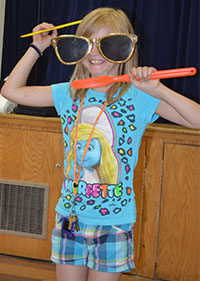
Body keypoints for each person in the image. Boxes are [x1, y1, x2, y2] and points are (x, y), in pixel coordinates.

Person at [1, 7, 200, 281]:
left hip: (113, 224)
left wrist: (159, 89)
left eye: (107, 44)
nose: (95, 53)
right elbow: (10, 91)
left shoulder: (138, 97)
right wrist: (37, 47)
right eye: (87, 43)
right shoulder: (68, 93)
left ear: (126, 47)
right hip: (70, 218)